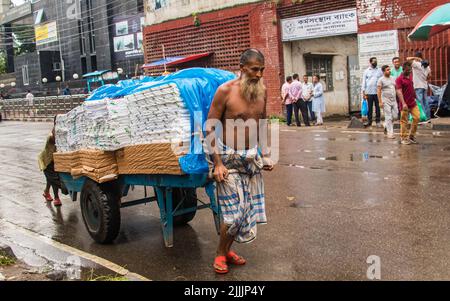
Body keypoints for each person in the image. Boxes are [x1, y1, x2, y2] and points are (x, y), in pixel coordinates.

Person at [205, 49, 273, 274]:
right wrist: (217, 163)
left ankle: (227, 250)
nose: (259, 74)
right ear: (242, 67)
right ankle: (219, 254)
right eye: (255, 69)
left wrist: (265, 153)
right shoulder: (225, 91)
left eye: (262, 69)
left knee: (244, 211)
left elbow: (262, 124)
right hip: (226, 159)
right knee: (233, 214)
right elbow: (210, 127)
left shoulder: (262, 92)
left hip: (250, 159)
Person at [38, 116, 63, 206]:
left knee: (50, 178)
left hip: (54, 160)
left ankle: (46, 192)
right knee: (53, 178)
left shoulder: (61, 132)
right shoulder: (51, 136)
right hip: (47, 160)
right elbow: (55, 139)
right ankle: (56, 198)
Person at [396, 61, 420, 145]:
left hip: (412, 103)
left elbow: (411, 87)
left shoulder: (410, 76)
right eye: (408, 70)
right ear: (403, 69)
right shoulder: (399, 79)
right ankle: (404, 138)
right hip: (404, 104)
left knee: (417, 118)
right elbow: (399, 91)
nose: (409, 71)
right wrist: (403, 103)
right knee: (404, 121)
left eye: (410, 70)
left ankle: (411, 136)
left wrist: (415, 97)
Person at [407, 52, 431, 121]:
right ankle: (428, 116)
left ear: (417, 57)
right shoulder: (427, 66)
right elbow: (429, 76)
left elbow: (408, 59)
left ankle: (423, 117)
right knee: (425, 101)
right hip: (424, 86)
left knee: (420, 102)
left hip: (418, 86)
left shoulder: (417, 64)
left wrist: (415, 58)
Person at [377, 65, 398, 139]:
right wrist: (380, 102)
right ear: (383, 71)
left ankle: (386, 125)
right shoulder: (381, 80)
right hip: (385, 101)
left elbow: (396, 88)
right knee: (388, 117)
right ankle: (390, 133)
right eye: (387, 70)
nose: (389, 71)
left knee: (395, 116)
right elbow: (378, 91)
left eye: (389, 69)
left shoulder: (393, 78)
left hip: (394, 100)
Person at [362, 57, 383, 127]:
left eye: (376, 61)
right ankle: (369, 121)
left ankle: (378, 121)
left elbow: (382, 80)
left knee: (377, 107)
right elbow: (363, 82)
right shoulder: (366, 71)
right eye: (374, 61)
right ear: (370, 62)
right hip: (369, 92)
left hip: (377, 92)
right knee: (370, 108)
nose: (375, 63)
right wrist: (363, 93)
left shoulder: (379, 70)